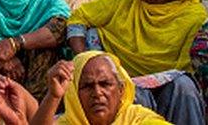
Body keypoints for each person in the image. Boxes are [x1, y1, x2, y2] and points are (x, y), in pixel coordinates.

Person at [67, 0, 208, 122]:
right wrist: (84, 58)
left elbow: (183, 70)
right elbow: (79, 17)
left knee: (185, 88)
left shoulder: (194, 18)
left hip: (166, 84)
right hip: (115, 81)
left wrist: (144, 82)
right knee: (129, 96)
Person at [32, 52, 171, 124]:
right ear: (74, 93)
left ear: (121, 90)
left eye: (105, 84)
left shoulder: (140, 120)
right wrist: (53, 96)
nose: (97, 93)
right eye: (87, 86)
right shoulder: (67, 122)